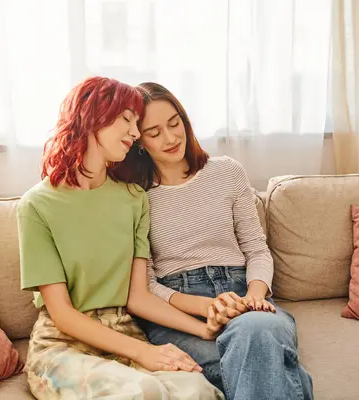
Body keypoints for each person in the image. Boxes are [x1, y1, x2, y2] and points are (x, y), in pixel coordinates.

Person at [17, 76, 224, 399]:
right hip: (62, 343)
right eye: (126, 120)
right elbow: (62, 313)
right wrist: (143, 353)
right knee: (144, 390)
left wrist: (204, 329)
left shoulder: (132, 199)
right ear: (91, 119)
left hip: (125, 330)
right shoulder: (37, 205)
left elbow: (137, 297)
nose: (134, 132)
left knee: (198, 390)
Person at [110, 82, 314, 400]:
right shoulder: (135, 197)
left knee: (256, 332)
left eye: (175, 123)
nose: (170, 138)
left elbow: (256, 249)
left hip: (244, 297)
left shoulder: (227, 172)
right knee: (268, 358)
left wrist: (255, 298)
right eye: (154, 132)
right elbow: (146, 284)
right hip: (180, 310)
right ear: (139, 141)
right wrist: (208, 307)